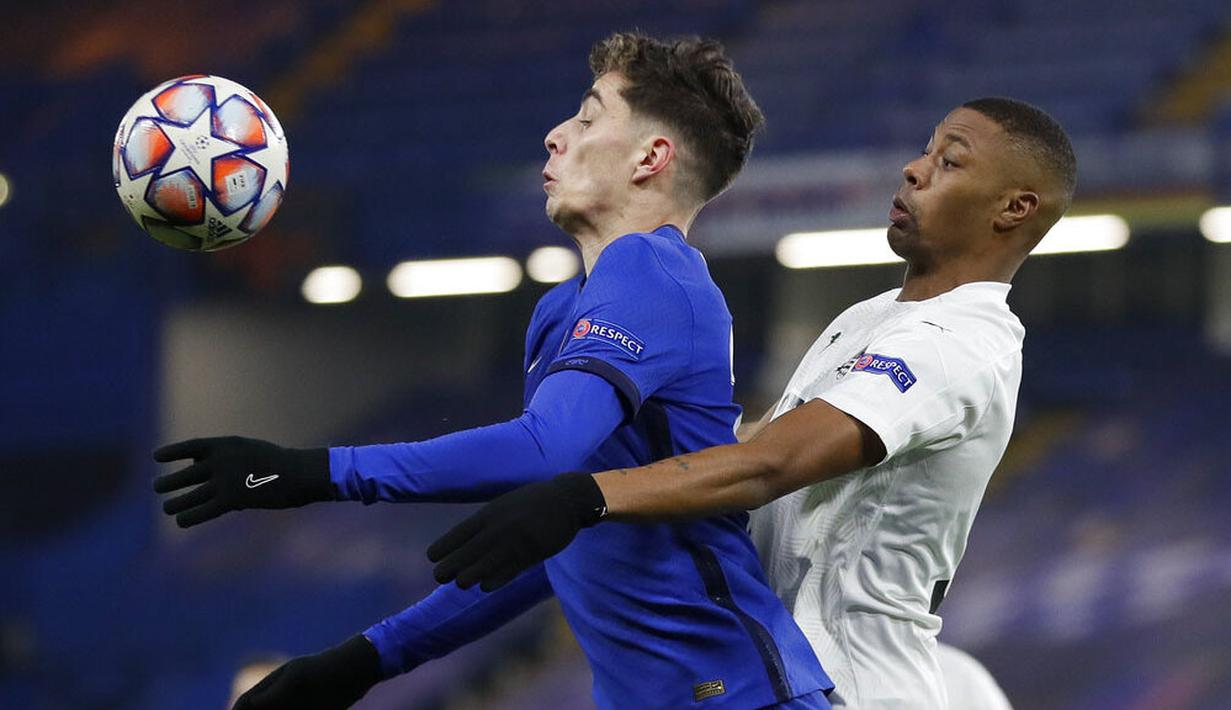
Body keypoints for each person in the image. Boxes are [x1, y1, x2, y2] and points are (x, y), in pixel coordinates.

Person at [153, 32, 833, 709]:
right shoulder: (563, 308)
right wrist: (359, 662)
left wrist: (308, 473)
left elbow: (542, 450)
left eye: (590, 116)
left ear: (651, 158)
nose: (555, 135)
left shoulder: (653, 273)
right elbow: (560, 544)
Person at [428, 97, 1076, 708]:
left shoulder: (956, 342)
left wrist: (585, 495)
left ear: (1013, 208)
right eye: (926, 150)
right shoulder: (873, 318)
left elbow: (766, 467)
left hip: (853, 689)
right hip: (780, 679)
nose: (913, 168)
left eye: (948, 160)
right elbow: (748, 446)